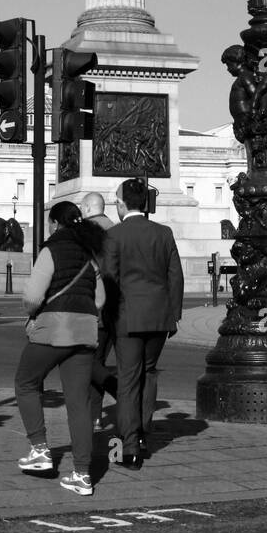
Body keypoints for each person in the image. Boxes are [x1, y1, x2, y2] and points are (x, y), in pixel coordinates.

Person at [15, 202, 106, 497]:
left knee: (26, 382)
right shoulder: (90, 254)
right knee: (79, 402)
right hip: (85, 329)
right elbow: (100, 299)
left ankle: (40, 449)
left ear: (55, 224)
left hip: (54, 328)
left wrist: (32, 313)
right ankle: (82, 475)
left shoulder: (51, 250)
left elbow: (33, 296)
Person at [102, 178, 184, 470]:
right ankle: (143, 433)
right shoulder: (164, 233)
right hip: (159, 316)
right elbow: (175, 275)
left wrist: (108, 317)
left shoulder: (114, 235)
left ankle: (130, 446)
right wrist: (173, 314)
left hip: (127, 317)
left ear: (122, 204)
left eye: (116, 202)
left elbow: (109, 280)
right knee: (148, 374)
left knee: (128, 380)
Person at [80, 193, 117, 429]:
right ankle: (95, 415)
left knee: (88, 363)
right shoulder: (117, 231)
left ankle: (93, 414)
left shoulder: (82, 233)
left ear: (86, 208)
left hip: (91, 307)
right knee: (99, 360)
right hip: (117, 308)